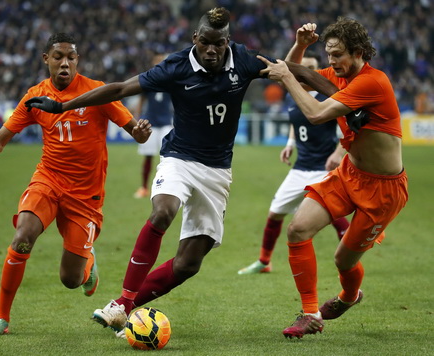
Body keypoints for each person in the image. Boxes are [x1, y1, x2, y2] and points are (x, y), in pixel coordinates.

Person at [25, 7, 304, 336]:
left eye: (219, 44)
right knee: (163, 211)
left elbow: (292, 71)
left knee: (189, 264)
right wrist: (62, 105)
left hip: (217, 171)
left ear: (227, 42)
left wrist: (342, 97)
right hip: (179, 158)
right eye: (206, 44)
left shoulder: (244, 60)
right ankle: (122, 304)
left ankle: (125, 306)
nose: (212, 51)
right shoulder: (176, 66)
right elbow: (118, 89)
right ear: (195, 39)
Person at [0, 33, 151, 337]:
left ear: (77, 60)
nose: (65, 63)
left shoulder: (97, 92)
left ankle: (88, 264)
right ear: (46, 60)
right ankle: (1, 318)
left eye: (71, 57)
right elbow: (1, 139)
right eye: (58, 57)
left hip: (85, 197)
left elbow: (134, 130)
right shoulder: (35, 96)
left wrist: (141, 131)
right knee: (23, 235)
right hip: (48, 181)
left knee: (70, 279)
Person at [259, 19, 408, 338]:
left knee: (343, 261)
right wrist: (300, 45)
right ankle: (310, 314)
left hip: (383, 190)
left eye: (337, 55)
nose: (331, 64)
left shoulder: (373, 82)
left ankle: (349, 296)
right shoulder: (340, 75)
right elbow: (293, 70)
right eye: (328, 57)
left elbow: (314, 113)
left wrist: (287, 76)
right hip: (349, 174)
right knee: (298, 229)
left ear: (357, 53)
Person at [238, 52, 349, 275]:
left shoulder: (329, 96)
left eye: (310, 68)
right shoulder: (293, 95)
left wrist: (337, 153)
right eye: (301, 68)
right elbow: (295, 121)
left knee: (334, 217)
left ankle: (349, 263)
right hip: (300, 168)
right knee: (275, 213)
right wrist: (290, 143)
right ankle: (264, 262)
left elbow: (349, 128)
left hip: (323, 169)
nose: (304, 73)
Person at [133, 53, 174, 199]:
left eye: (161, 61)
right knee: (148, 156)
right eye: (157, 61)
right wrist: (137, 118)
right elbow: (141, 100)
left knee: (169, 157)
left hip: (166, 122)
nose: (159, 64)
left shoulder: (171, 81)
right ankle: (144, 187)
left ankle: (168, 188)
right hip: (151, 122)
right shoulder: (148, 81)